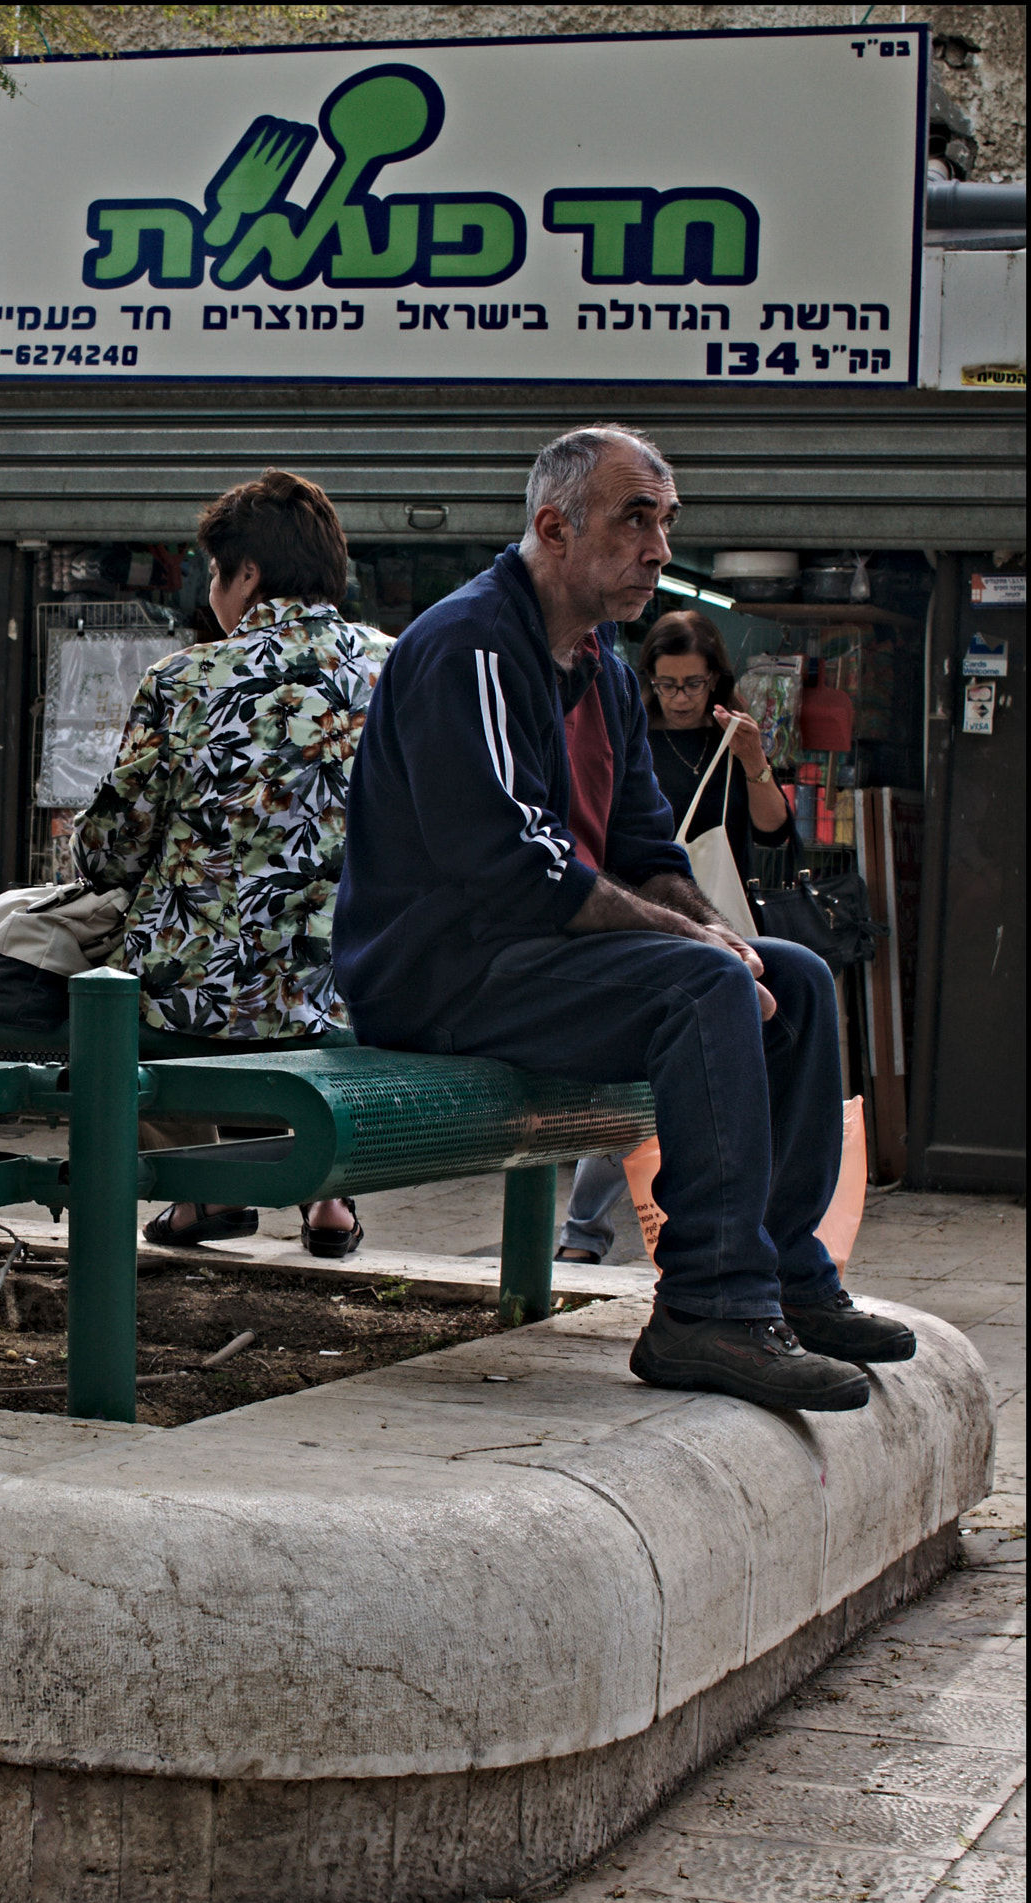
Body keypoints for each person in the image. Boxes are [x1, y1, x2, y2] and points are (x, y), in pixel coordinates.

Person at [336, 425, 913, 1411]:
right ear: (553, 529)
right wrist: (690, 945)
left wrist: (709, 926)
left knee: (795, 978)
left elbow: (649, 854)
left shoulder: (602, 668)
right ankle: (709, 1306)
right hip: (439, 974)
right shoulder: (471, 644)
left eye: (665, 521)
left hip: (535, 960)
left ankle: (781, 1277)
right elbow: (509, 869)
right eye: (633, 519)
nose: (656, 547)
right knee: (700, 981)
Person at [74, 470, 389, 1257]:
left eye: (216, 572)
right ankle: (328, 1203)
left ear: (245, 574)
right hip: (354, 983)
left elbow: (112, 849)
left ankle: (200, 1190)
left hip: (201, 996)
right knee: (305, 998)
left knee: (122, 996)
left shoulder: (185, 679)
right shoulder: (401, 669)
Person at [555, 607, 800, 1265]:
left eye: (692, 683)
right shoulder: (628, 731)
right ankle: (586, 1233)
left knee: (786, 998)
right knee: (635, 1084)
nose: (681, 698)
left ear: (715, 679)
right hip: (641, 918)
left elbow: (776, 831)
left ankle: (768, 1248)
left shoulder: (730, 739)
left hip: (715, 911)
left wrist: (753, 763)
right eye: (667, 684)